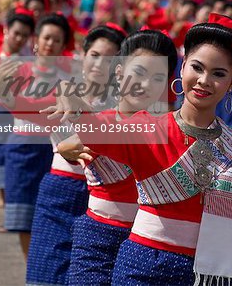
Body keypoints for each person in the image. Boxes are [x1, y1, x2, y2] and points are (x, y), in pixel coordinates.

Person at [45, 13, 232, 286]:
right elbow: (96, 128)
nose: (204, 80)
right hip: (143, 268)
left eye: (219, 74)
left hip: (211, 275)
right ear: (183, 67)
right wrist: (72, 102)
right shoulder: (146, 128)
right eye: (197, 68)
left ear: (231, 83)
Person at [58, 28, 178, 286]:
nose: (145, 85)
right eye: (139, 73)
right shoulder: (97, 120)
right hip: (95, 240)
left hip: (148, 244)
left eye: (157, 77)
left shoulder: (170, 131)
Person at [25, 23, 126, 286]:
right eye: (94, 55)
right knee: (45, 272)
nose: (98, 64)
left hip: (103, 199)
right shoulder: (60, 90)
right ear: (83, 55)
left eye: (108, 59)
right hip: (59, 190)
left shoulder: (122, 106)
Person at [0, 13, 71, 260]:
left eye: (57, 40)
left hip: (52, 152)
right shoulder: (19, 69)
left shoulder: (67, 79)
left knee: (46, 216)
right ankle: (31, 266)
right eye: (46, 37)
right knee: (22, 218)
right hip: (21, 148)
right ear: (36, 40)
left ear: (62, 46)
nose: (50, 43)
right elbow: (3, 96)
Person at [0, 8, 35, 216]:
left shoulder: (29, 57)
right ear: (6, 30)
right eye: (16, 33)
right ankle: (3, 195)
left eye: (24, 35)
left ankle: (10, 196)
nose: (19, 39)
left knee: (13, 151)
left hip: (16, 112)